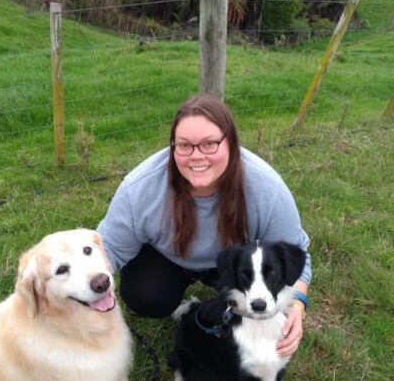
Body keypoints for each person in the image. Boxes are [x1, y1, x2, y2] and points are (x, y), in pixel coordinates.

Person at [97, 94, 311, 358]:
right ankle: (176, 300)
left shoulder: (268, 188)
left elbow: (296, 252)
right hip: (166, 260)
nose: (196, 156)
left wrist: (297, 307)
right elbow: (108, 251)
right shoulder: (139, 188)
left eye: (209, 144)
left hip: (234, 265)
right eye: (184, 145)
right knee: (145, 297)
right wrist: (76, 290)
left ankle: (221, 304)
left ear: (230, 142)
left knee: (257, 315)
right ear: (172, 146)